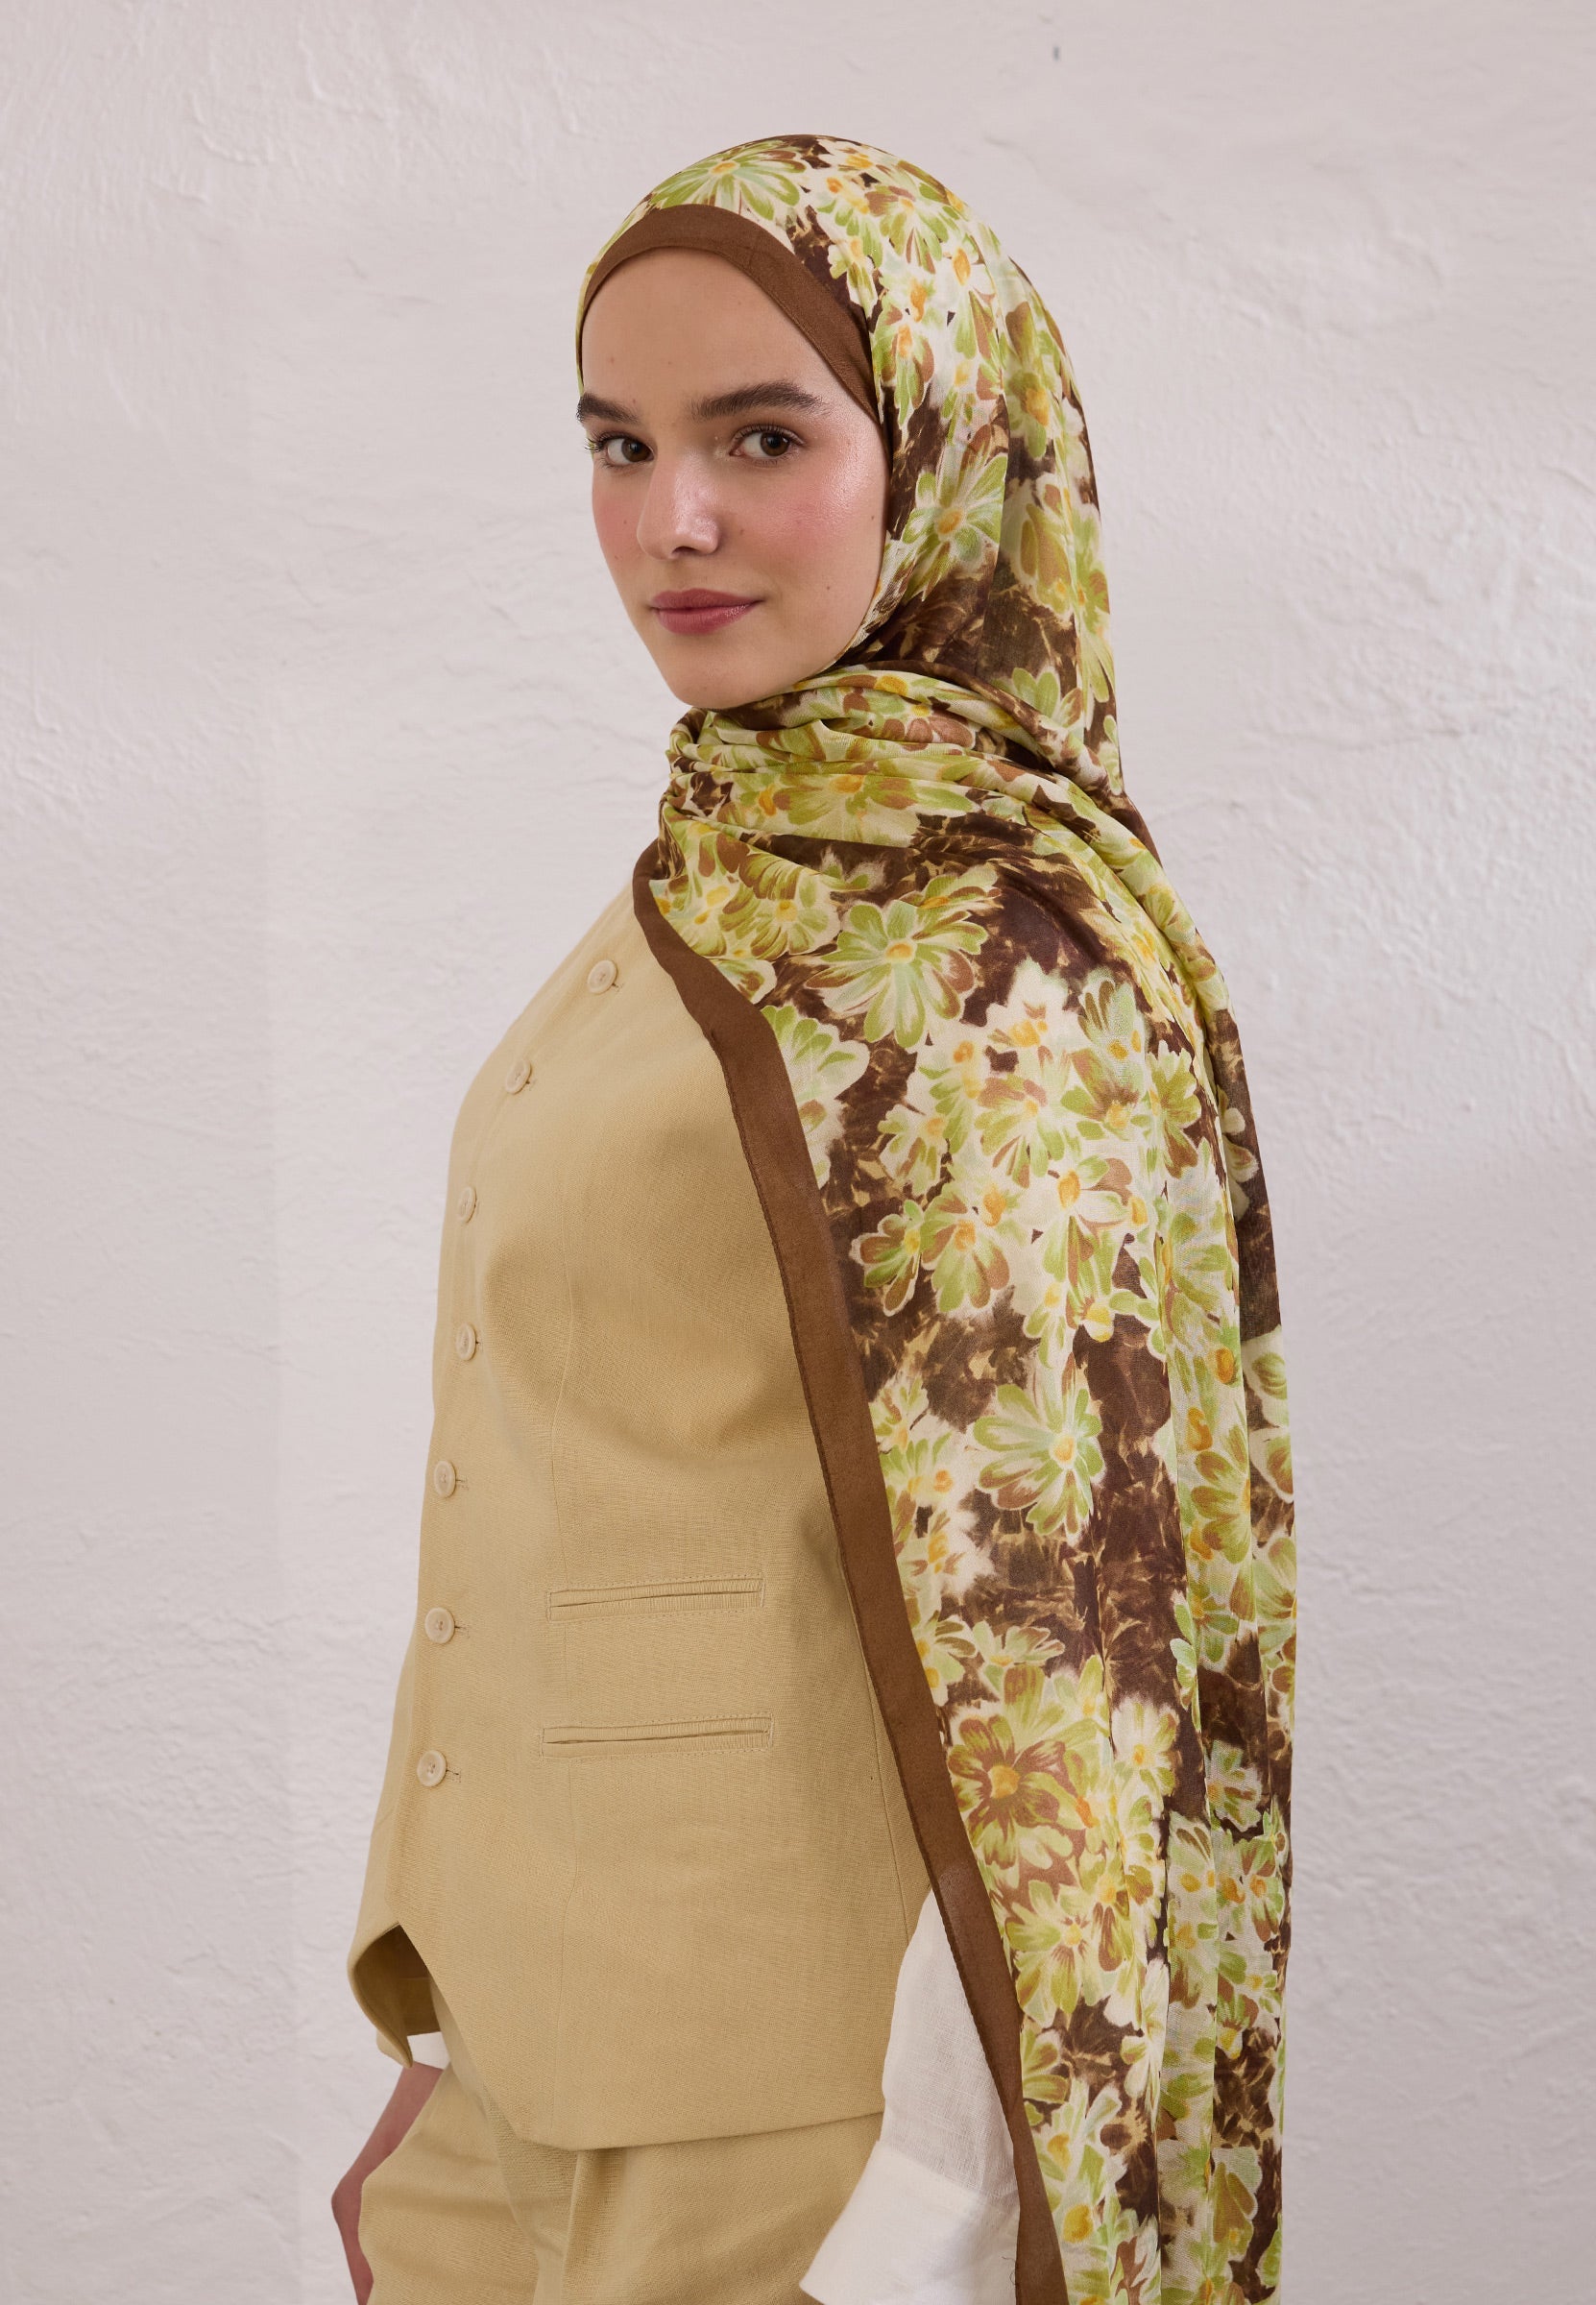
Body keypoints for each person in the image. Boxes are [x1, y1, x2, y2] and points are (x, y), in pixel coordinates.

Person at [332, 135, 1295, 2305]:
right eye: (620, 443)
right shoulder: (722, 870)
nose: (669, 520)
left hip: (794, 2105)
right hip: (528, 2042)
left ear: (938, 458)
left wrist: (948, 2192)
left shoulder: (1002, 956)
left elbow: (1061, 1645)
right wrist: (447, 2041)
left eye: (760, 438)